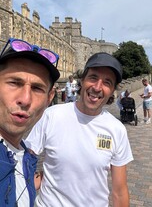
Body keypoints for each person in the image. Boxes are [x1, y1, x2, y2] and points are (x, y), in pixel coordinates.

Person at [25, 52, 133, 207]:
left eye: (107, 82)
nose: (97, 87)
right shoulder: (51, 116)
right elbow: (24, 165)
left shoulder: (116, 129)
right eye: (93, 77)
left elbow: (120, 191)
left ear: (112, 91)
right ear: (82, 81)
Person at [0, 37, 60, 207]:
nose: (25, 100)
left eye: (37, 88)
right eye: (14, 83)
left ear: (49, 98)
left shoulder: (25, 154)